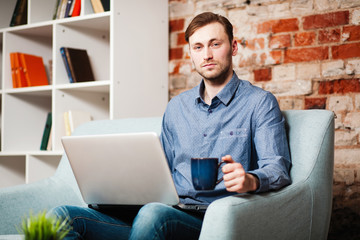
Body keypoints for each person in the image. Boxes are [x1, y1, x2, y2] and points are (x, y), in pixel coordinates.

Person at [50, 12, 291, 239]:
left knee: (152, 214)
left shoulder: (259, 103)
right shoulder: (176, 108)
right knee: (61, 217)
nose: (206, 54)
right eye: (198, 47)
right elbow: (161, 171)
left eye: (215, 44)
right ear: (191, 54)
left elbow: (277, 169)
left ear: (234, 47)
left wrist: (250, 179)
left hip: (210, 217)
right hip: (164, 211)